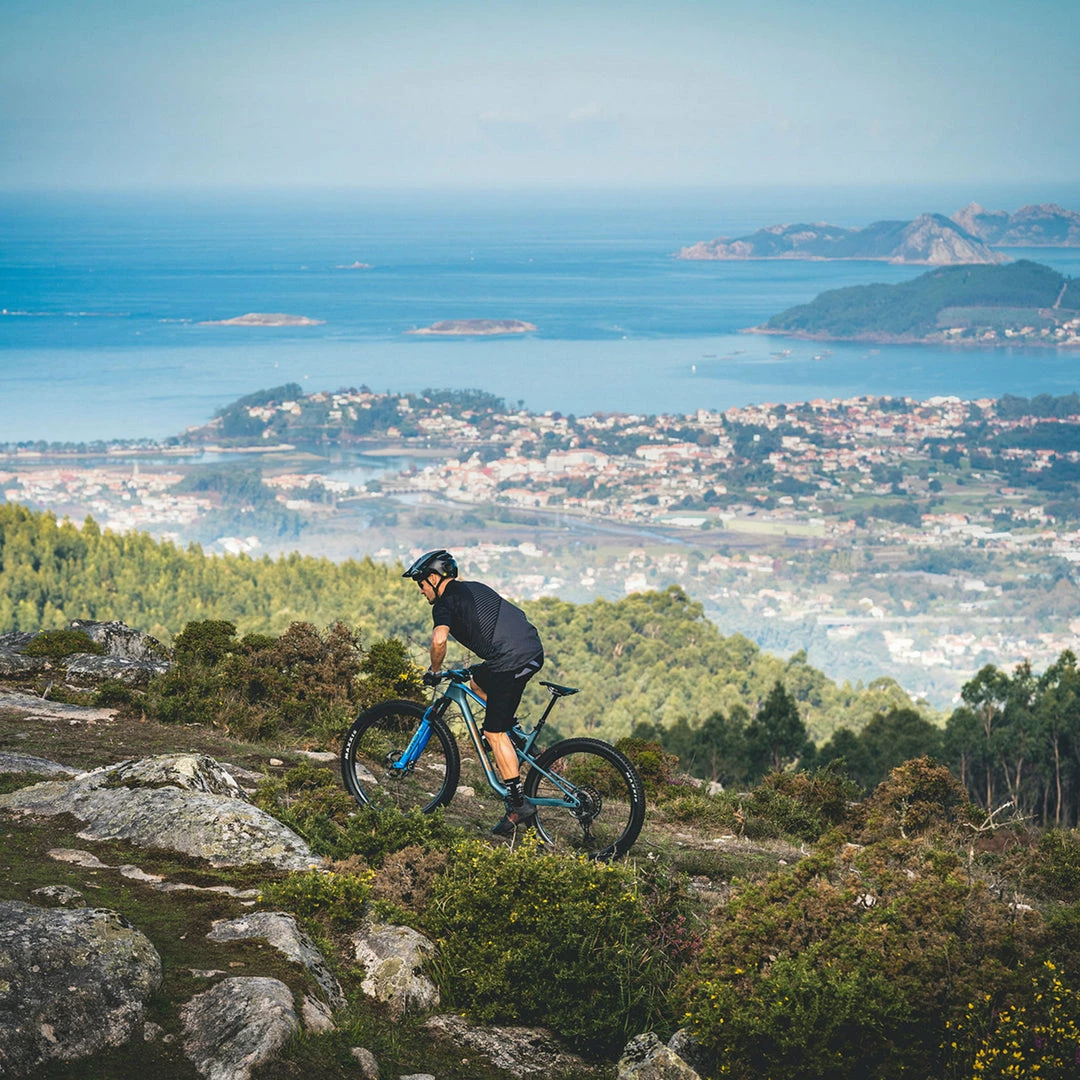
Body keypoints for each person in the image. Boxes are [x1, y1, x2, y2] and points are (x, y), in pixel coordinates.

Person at [403, 549, 544, 836]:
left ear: (433, 578)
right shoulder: (473, 587)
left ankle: (518, 803)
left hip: (510, 660)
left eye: (420, 584)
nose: (421, 591)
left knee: (493, 733)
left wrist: (433, 670)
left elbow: (439, 639)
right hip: (529, 648)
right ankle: (514, 733)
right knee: (478, 679)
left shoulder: (443, 604)